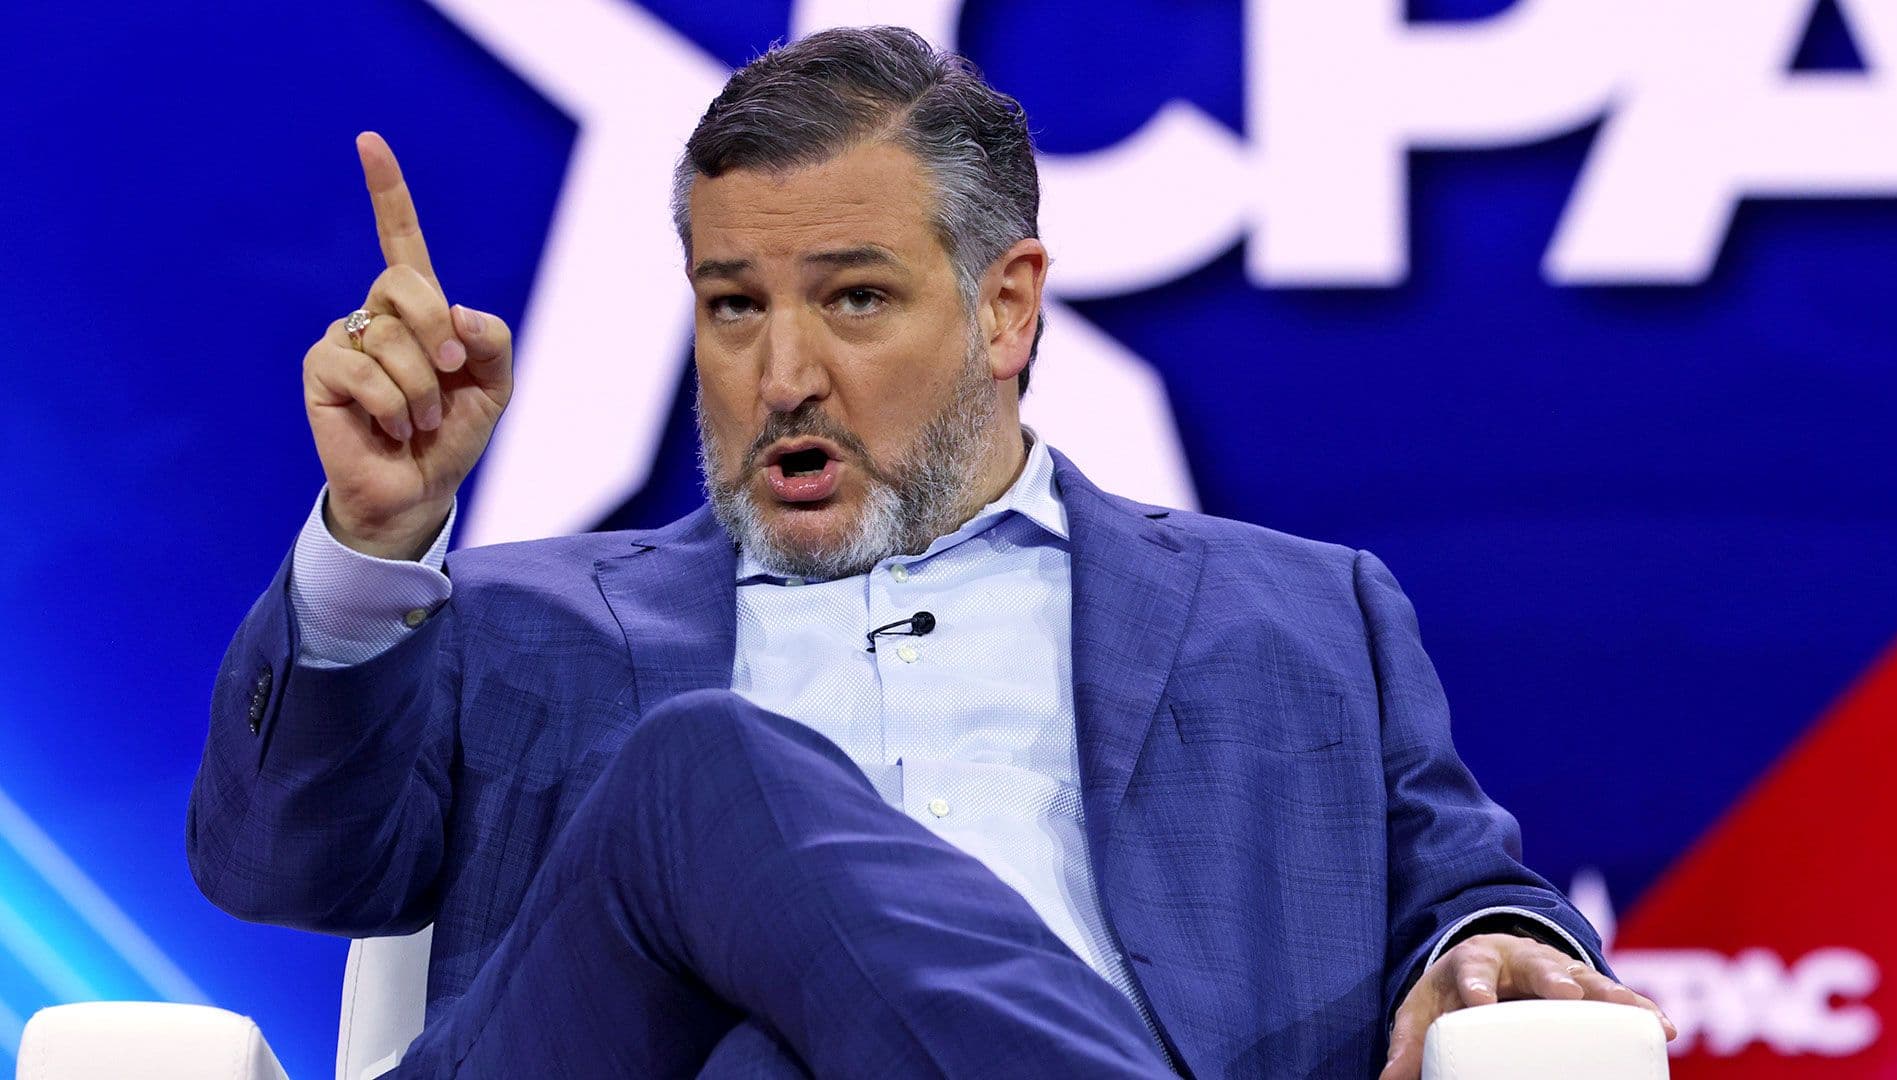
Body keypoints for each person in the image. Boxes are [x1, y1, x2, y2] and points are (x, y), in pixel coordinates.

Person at [188, 26, 1671, 1079]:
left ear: (1008, 308)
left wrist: (1487, 939)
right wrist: (375, 548)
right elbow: (275, 866)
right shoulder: (519, 616)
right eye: (732, 306)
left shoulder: (1301, 616)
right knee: (703, 772)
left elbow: (1474, 897)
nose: (780, 376)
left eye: (851, 300)